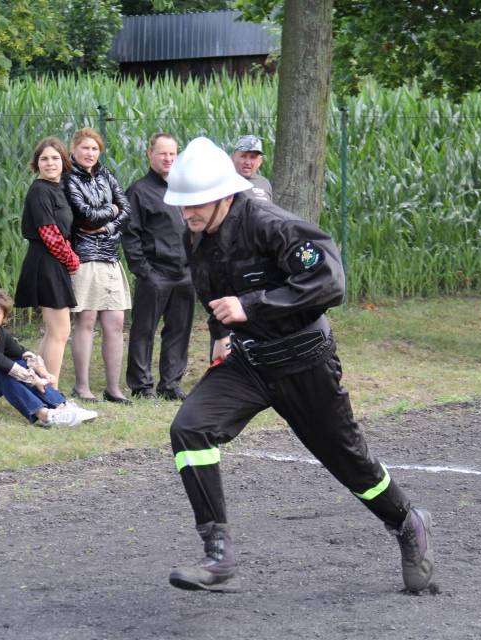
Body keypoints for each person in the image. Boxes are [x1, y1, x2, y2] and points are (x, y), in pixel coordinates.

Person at [162, 136, 434, 594]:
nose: (187, 213)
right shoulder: (199, 235)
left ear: (225, 195)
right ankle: (218, 552)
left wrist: (252, 305)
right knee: (189, 428)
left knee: (351, 466)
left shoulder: (271, 225)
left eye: (196, 203)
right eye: (182, 204)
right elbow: (216, 295)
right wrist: (223, 334)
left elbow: (329, 282)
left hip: (304, 362)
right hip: (250, 363)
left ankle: (407, 522)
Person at [122, 132, 195, 401]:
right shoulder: (139, 191)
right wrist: (145, 272)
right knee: (144, 330)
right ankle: (142, 386)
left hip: (185, 273)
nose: (168, 158)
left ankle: (171, 385)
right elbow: (130, 235)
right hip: (155, 273)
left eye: (172, 154)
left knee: (179, 330)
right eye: (162, 153)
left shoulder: (183, 189)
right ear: (149, 154)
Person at [64, 127, 133, 404]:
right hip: (84, 257)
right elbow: (85, 216)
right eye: (85, 148)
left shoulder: (106, 175)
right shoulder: (68, 178)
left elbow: (126, 209)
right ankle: (82, 386)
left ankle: (113, 389)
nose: (90, 153)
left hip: (110, 256)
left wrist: (107, 227)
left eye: (94, 149)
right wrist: (111, 212)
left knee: (115, 322)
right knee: (87, 320)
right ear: (74, 149)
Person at [0, 290, 97, 427]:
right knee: (4, 371)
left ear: (3, 317)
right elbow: (2, 363)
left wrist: (44, 373)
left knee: (21, 363)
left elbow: (23, 353)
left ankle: (62, 406)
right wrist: (35, 380)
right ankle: (46, 416)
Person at [14, 137, 80, 384]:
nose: (50, 163)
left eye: (55, 158)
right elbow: (49, 233)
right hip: (46, 263)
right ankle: (52, 392)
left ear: (63, 162)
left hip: (53, 262)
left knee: (55, 331)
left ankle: (38, 386)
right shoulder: (40, 190)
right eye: (44, 159)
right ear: (37, 163)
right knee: (60, 331)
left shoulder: (57, 188)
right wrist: (72, 260)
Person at [230, 134, 272, 202]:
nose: (247, 162)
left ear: (260, 161)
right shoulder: (225, 182)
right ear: (232, 158)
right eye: (243, 156)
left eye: (253, 157)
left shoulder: (264, 183)